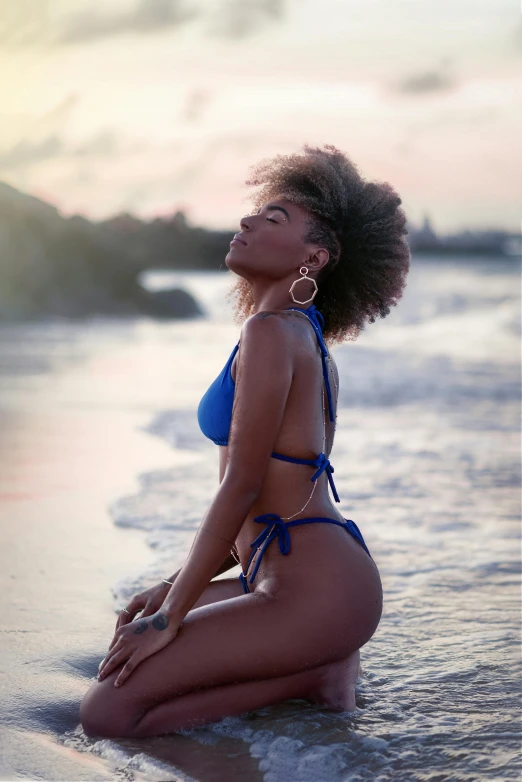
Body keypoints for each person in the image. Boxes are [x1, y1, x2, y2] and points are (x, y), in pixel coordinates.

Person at [80, 144, 411, 738]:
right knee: (126, 642)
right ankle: (316, 666)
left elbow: (245, 486)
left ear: (316, 256)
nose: (247, 222)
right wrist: (173, 587)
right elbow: (267, 502)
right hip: (295, 578)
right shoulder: (298, 337)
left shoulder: (272, 333)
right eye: (255, 213)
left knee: (108, 712)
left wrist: (172, 615)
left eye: (274, 218)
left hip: (314, 592)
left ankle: (314, 673)